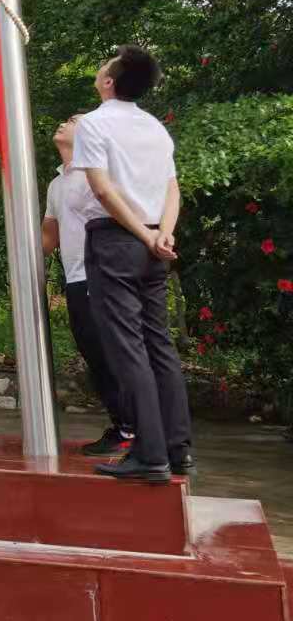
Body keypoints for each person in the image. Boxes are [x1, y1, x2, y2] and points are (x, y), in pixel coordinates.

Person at [71, 45, 193, 484]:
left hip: (116, 241)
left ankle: (149, 453)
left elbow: (103, 191)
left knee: (128, 347)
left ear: (109, 82)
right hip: (153, 241)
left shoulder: (94, 124)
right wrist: (162, 233)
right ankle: (178, 449)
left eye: (104, 67)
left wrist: (142, 235)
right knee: (159, 342)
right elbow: (172, 189)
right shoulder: (156, 128)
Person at [44, 114, 135, 457]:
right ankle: (125, 426)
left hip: (105, 277)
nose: (63, 123)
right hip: (76, 280)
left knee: (114, 355)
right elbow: (48, 236)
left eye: (72, 120)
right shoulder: (57, 184)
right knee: (95, 356)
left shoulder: (100, 171)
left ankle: (135, 428)